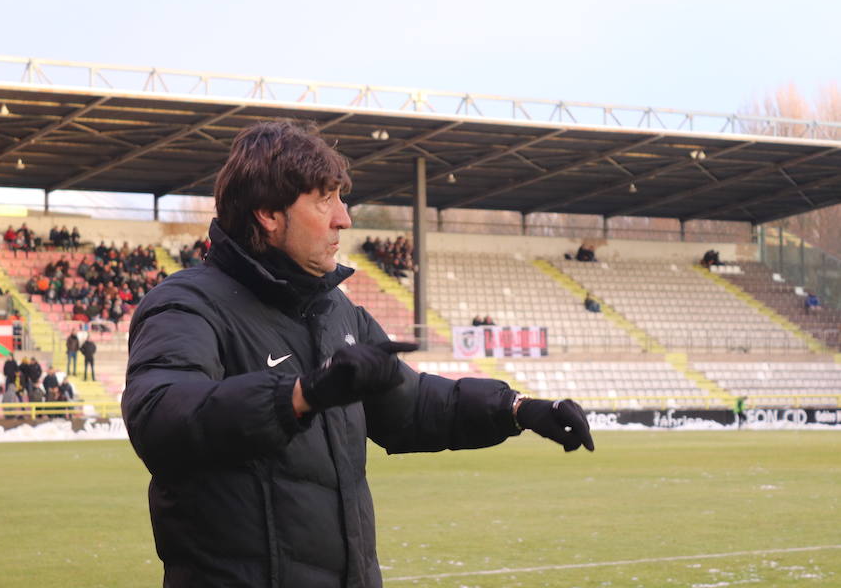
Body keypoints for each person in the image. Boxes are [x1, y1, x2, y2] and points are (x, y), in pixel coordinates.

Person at [122, 121, 594, 587]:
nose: (343, 218)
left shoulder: (336, 311)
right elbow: (162, 415)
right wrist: (298, 396)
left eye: (339, 199)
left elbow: (411, 404)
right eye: (324, 199)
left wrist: (515, 409)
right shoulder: (186, 304)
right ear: (268, 213)